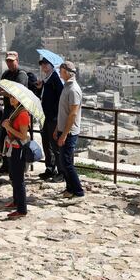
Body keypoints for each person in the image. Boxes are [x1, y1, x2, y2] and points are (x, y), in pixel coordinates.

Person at [0, 51, 28, 175]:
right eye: (8, 61)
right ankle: (6, 164)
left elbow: (18, 93)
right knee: (3, 137)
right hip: (8, 109)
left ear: (17, 60)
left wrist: (4, 93)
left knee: (17, 137)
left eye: (11, 61)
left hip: (18, 110)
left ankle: (17, 165)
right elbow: (0, 87)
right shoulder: (6, 74)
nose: (9, 63)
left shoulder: (21, 75)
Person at [55, 61, 84, 199]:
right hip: (63, 129)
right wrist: (57, 128)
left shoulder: (73, 89)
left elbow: (73, 114)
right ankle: (70, 188)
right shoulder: (67, 87)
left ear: (66, 72)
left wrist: (64, 134)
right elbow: (64, 111)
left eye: (60, 71)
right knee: (64, 161)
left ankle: (78, 191)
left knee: (67, 162)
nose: (59, 73)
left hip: (69, 131)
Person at [1, 94, 31, 218]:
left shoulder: (23, 114)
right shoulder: (15, 112)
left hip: (19, 150)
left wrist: (8, 127)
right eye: (10, 97)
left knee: (19, 179)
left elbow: (23, 136)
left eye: (14, 97)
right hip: (12, 148)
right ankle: (16, 201)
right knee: (13, 176)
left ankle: (22, 209)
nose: (11, 99)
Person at [33, 57, 63, 181]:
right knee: (46, 143)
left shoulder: (55, 79)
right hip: (45, 117)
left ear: (52, 65)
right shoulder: (46, 79)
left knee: (55, 145)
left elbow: (60, 98)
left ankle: (61, 172)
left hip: (53, 117)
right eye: (41, 64)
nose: (43, 66)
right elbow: (42, 97)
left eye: (46, 64)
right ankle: (50, 168)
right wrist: (40, 88)